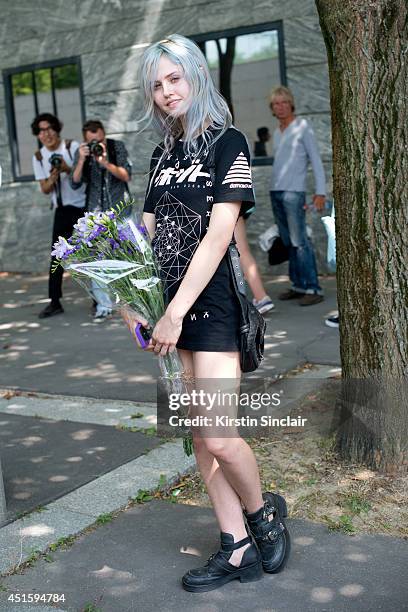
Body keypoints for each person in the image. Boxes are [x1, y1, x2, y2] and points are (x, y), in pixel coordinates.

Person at [132, 34, 290, 593]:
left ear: (196, 76)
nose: (166, 91)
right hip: (168, 310)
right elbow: (146, 236)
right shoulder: (161, 155)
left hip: (212, 305)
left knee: (220, 435)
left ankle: (263, 511)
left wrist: (174, 313)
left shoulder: (229, 142)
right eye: (157, 84)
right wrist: (133, 302)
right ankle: (236, 546)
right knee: (198, 438)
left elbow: (221, 231)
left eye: (174, 78)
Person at [269, 86, 326, 306]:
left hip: (294, 193)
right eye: (276, 103)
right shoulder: (276, 131)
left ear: (291, 104)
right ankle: (298, 285)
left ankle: (313, 287)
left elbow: (316, 161)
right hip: (276, 191)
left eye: (284, 102)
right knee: (287, 242)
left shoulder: (303, 126)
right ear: (272, 108)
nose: (280, 106)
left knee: (300, 241)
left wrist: (320, 192)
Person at [71, 120, 132, 320]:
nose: (95, 144)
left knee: (127, 258)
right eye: (90, 142)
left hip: (120, 210)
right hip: (95, 213)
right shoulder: (83, 153)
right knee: (98, 260)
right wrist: (81, 159)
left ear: (104, 135)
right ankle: (104, 305)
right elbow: (74, 183)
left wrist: (105, 163)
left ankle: (131, 302)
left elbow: (126, 176)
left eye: (98, 140)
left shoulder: (117, 147)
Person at [31, 113, 86, 318]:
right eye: (41, 131)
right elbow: (44, 189)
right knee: (57, 257)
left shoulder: (72, 147)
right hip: (61, 210)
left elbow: (83, 177)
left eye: (49, 128)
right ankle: (55, 302)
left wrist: (67, 168)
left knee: (93, 253)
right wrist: (53, 175)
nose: (46, 134)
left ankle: (101, 301)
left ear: (57, 128)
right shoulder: (39, 156)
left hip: (81, 208)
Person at [235, 215, 274, 314]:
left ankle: (258, 299)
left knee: (239, 252)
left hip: (221, 207)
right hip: (237, 208)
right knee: (243, 251)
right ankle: (261, 297)